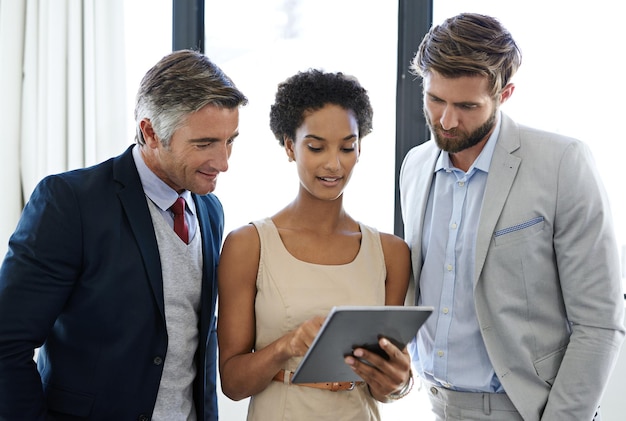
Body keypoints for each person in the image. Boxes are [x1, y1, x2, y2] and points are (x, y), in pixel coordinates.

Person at [399, 12, 625, 421]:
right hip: (432, 406)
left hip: (522, 411)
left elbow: (599, 323)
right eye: (435, 100)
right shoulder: (415, 166)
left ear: (505, 95)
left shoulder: (562, 164)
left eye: (466, 105)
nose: (446, 121)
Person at [0, 49, 248, 420]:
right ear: (150, 132)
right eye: (204, 144)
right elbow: (7, 341)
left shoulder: (210, 210)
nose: (224, 162)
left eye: (231, 140)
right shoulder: (70, 202)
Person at [217, 69, 413, 420]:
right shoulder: (248, 245)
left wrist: (397, 383)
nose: (334, 163)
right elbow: (232, 384)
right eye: (316, 146)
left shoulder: (391, 253)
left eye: (347, 147)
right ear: (291, 146)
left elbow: (385, 389)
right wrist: (286, 346)